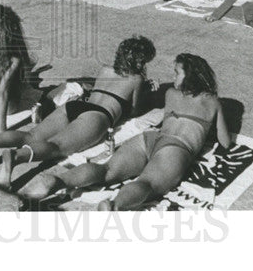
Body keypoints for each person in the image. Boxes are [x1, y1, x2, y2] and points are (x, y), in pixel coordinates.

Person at [0, 35, 156, 188]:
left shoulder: (105, 70)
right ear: (140, 62)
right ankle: (16, 157)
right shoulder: (136, 80)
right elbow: (133, 111)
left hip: (75, 106)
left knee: (31, 135)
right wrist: (148, 91)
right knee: (56, 146)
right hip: (97, 116)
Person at [56, 53, 233, 210]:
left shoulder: (170, 93)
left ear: (191, 76)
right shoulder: (212, 102)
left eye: (177, 73)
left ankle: (60, 181)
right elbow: (225, 142)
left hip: (149, 139)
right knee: (146, 184)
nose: (173, 77)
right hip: (176, 148)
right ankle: (114, 205)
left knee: (106, 170)